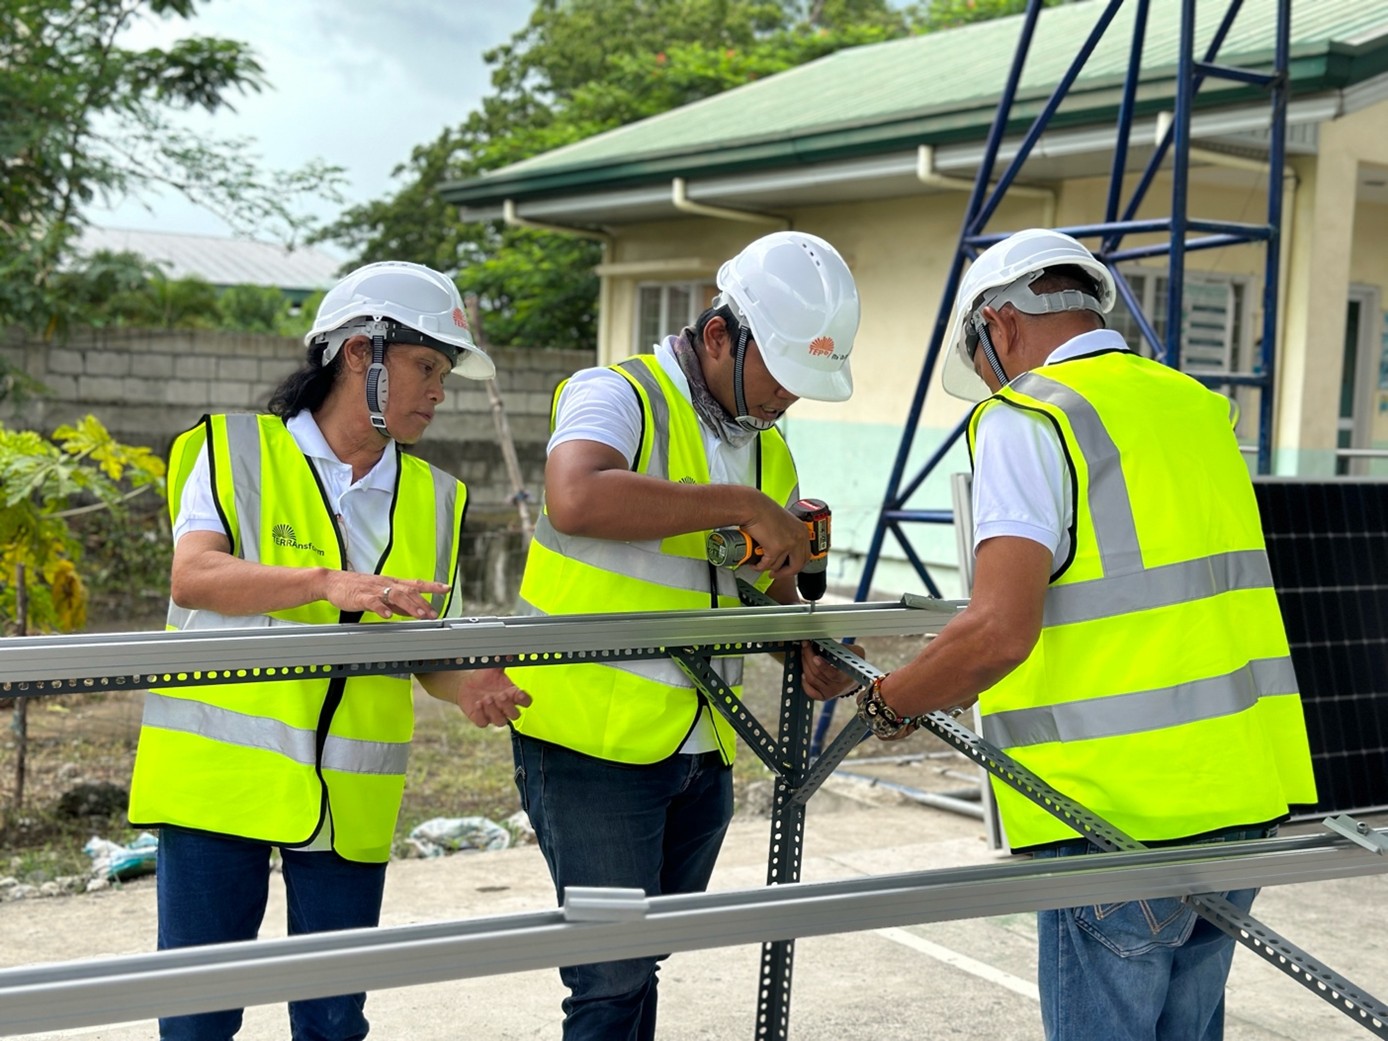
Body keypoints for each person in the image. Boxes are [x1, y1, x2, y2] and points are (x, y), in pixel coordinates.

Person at [847, 228, 1318, 1041]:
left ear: (997, 325)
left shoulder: (1029, 416)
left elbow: (997, 631)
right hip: (1239, 800)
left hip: (1112, 818)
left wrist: (886, 703)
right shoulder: (1196, 410)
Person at [127, 261, 529, 1041]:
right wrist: (329, 582)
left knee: (335, 1020)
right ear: (358, 353)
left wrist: (468, 681)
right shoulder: (232, 448)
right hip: (218, 785)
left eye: (443, 373)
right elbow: (196, 574)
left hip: (349, 797)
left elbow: (419, 647)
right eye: (425, 366)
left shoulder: (439, 499)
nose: (438, 391)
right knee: (199, 1018)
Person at [503, 230, 863, 1040]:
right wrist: (739, 506)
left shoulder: (768, 449)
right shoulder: (614, 393)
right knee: (608, 975)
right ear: (716, 336)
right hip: (589, 743)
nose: (787, 401)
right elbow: (576, 496)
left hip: (701, 744)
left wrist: (804, 638)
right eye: (781, 374)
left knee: (643, 958)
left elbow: (763, 585)